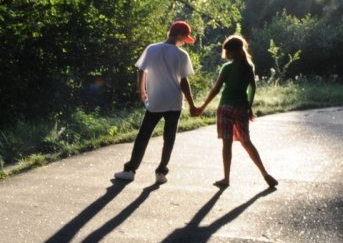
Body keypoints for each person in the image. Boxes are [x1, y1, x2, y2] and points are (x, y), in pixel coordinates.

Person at [114, 21, 199, 186]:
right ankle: (161, 171)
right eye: (185, 38)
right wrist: (191, 104)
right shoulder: (181, 55)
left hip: (156, 100)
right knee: (169, 137)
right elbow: (184, 82)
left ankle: (130, 170)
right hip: (174, 101)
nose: (184, 41)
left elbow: (141, 71)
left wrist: (142, 92)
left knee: (143, 135)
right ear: (180, 35)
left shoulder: (152, 49)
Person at [195, 35, 278, 190]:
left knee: (227, 144)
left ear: (235, 51)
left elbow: (216, 89)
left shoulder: (227, 67)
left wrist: (203, 106)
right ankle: (265, 173)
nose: (228, 55)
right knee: (246, 141)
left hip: (225, 108)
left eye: (229, 52)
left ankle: (226, 178)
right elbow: (253, 87)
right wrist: (249, 106)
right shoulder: (249, 67)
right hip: (241, 108)